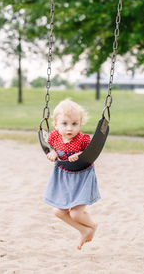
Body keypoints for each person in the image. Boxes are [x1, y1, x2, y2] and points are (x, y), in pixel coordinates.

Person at [44, 99, 101, 250]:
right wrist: (52, 152)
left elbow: (91, 151)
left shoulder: (83, 139)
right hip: (64, 177)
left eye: (74, 124)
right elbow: (51, 147)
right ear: (56, 124)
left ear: (80, 123)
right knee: (58, 211)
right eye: (65, 124)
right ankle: (83, 230)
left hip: (82, 177)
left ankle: (92, 226)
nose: (70, 128)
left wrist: (81, 154)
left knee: (76, 214)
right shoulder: (54, 136)